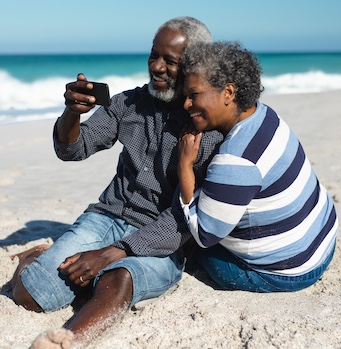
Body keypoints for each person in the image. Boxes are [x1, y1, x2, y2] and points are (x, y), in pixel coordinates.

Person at [11, 17, 223, 348]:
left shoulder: (207, 127)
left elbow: (185, 216)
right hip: (105, 218)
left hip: (160, 241)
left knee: (117, 279)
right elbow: (72, 149)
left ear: (196, 66)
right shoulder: (129, 104)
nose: (156, 66)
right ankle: (34, 257)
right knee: (29, 295)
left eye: (170, 61)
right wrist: (72, 113)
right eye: (154, 55)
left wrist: (111, 255)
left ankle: (66, 341)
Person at [178, 41, 338, 293]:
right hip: (324, 239)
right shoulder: (265, 114)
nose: (186, 104)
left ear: (228, 92)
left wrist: (185, 166)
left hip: (290, 271)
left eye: (193, 95)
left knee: (194, 250)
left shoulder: (235, 158)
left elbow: (204, 235)